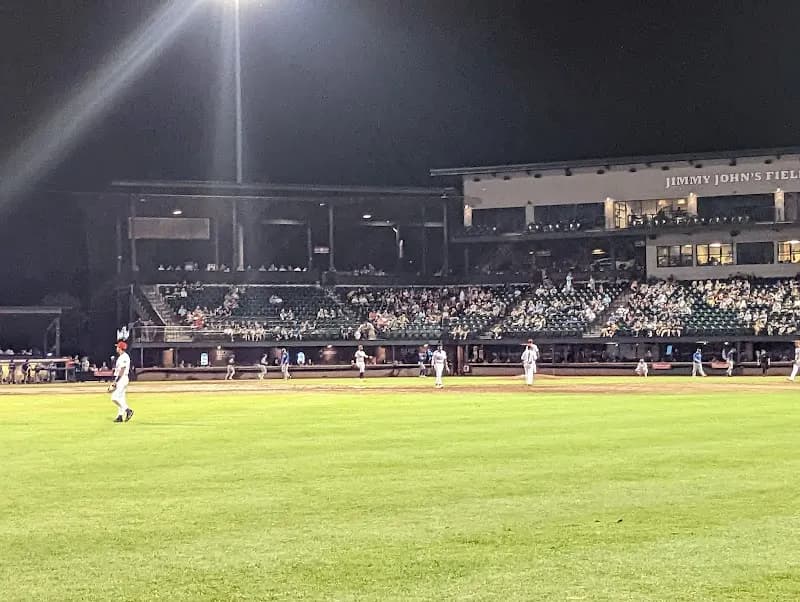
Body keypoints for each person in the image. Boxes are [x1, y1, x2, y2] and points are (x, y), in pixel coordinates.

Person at [108, 341, 134, 422]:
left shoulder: (124, 357)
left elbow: (122, 370)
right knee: (121, 398)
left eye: (117, 347)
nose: (116, 348)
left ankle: (128, 410)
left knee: (114, 398)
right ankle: (120, 416)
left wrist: (116, 381)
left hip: (122, 378)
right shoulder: (121, 356)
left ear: (120, 348)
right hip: (122, 378)